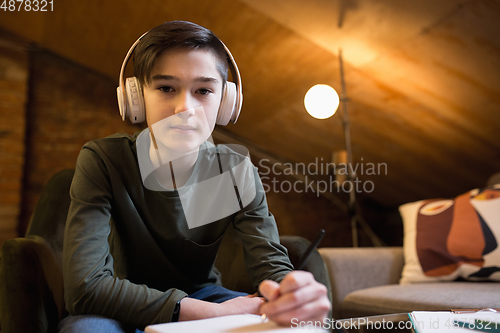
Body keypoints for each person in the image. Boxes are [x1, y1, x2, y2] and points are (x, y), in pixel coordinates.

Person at [59, 20, 330, 333]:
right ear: (136, 97)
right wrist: (209, 315)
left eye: (203, 90)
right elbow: (85, 288)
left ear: (226, 102)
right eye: (165, 88)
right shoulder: (104, 160)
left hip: (205, 295)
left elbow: (270, 265)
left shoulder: (234, 171)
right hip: (118, 304)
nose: (183, 108)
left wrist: (293, 294)